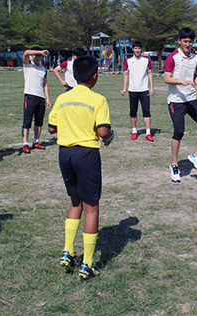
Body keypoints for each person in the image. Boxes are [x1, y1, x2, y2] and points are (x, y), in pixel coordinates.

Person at [48, 55, 114, 280]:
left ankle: (68, 251)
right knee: (91, 207)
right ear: (95, 75)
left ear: (74, 75)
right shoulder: (98, 99)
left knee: (75, 201)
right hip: (86, 154)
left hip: (64, 153)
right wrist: (109, 135)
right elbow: (103, 131)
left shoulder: (63, 98)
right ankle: (87, 263)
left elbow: (51, 128)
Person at [163, 27, 197, 182]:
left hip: (191, 98)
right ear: (179, 41)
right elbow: (166, 78)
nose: (188, 44)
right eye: (185, 41)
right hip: (176, 100)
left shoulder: (195, 58)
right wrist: (180, 82)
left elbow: (195, 75)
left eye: (190, 41)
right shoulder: (173, 57)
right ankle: (174, 165)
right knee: (179, 132)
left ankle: (195, 155)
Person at [121, 41, 155, 142]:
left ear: (141, 49)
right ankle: (134, 131)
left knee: (146, 112)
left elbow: (150, 73)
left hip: (144, 90)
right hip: (132, 90)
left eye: (139, 48)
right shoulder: (128, 61)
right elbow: (126, 74)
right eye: (135, 48)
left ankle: (148, 133)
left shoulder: (146, 60)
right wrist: (124, 88)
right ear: (132, 49)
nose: (137, 50)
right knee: (133, 112)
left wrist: (151, 87)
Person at [21, 47, 51, 154]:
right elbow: (26, 53)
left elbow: (45, 84)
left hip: (41, 97)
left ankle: (36, 141)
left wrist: (47, 98)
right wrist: (40, 52)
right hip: (30, 96)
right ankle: (25, 143)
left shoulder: (43, 69)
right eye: (36, 55)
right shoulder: (27, 65)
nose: (38, 57)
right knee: (27, 121)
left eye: (40, 56)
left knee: (39, 122)